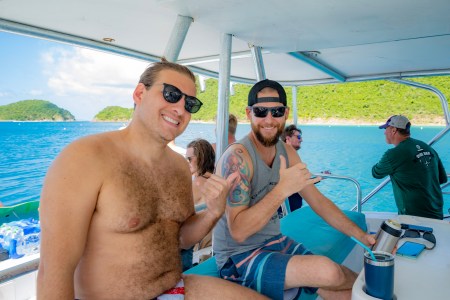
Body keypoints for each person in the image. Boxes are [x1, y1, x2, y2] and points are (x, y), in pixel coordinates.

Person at [37, 59, 268, 299]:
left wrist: (212, 212)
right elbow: (54, 271)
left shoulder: (179, 167)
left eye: (190, 104)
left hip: (175, 289)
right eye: (170, 94)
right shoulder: (86, 158)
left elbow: (178, 237)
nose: (180, 109)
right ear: (139, 93)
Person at [213, 79, 375, 300]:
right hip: (239, 258)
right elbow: (239, 232)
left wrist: (362, 236)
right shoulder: (238, 158)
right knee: (329, 271)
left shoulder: (287, 151)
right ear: (249, 113)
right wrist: (282, 190)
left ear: (286, 113)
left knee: (353, 291)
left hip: (276, 242)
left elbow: (318, 201)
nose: (269, 120)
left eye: (277, 111)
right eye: (261, 111)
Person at [372, 115, 448, 220]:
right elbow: (442, 178)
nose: (385, 132)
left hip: (414, 217)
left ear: (393, 130)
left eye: (386, 129)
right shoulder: (427, 147)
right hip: (437, 213)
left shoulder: (393, 154)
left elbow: (376, 173)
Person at [185, 139, 215, 263]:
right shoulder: (217, 180)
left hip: (199, 246)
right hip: (213, 243)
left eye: (189, 159)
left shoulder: (196, 184)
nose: (187, 163)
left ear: (201, 158)